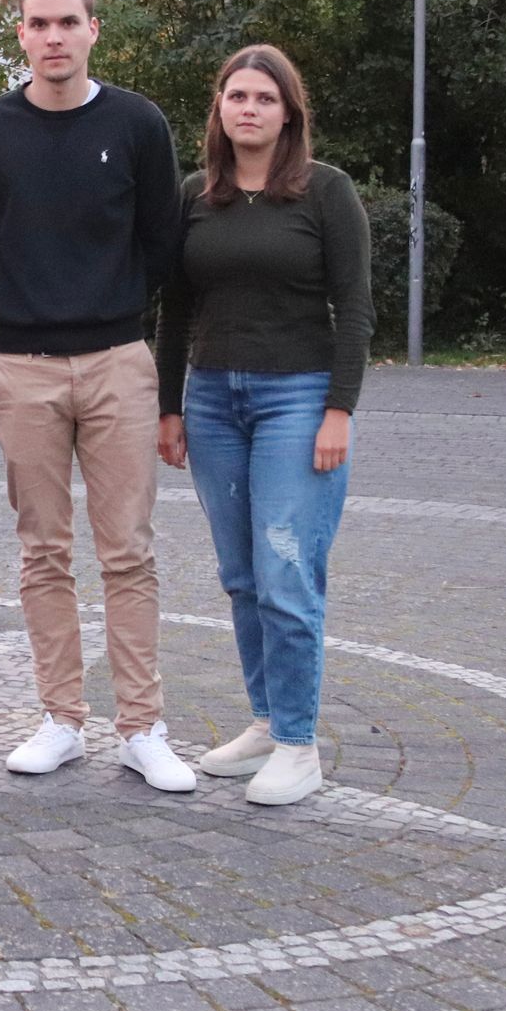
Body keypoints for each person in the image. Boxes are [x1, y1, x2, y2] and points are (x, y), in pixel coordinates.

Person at [0, 0, 195, 793]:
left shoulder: (137, 124)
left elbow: (161, 246)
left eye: (67, 22)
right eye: (38, 23)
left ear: (93, 28)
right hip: (22, 367)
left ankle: (143, 727)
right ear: (20, 33)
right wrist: (27, 312)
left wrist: (103, 309)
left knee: (128, 551)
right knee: (43, 552)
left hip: (119, 361)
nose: (53, 37)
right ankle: (61, 718)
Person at [155, 44, 372, 806]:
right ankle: (266, 722)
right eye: (237, 96)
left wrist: (338, 410)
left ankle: (299, 744)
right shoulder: (195, 195)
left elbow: (355, 307)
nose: (249, 109)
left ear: (289, 114)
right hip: (214, 401)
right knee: (242, 576)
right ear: (219, 108)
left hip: (297, 400)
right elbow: (176, 310)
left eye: (265, 98)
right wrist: (170, 406)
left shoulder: (326, 191)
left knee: (286, 573)